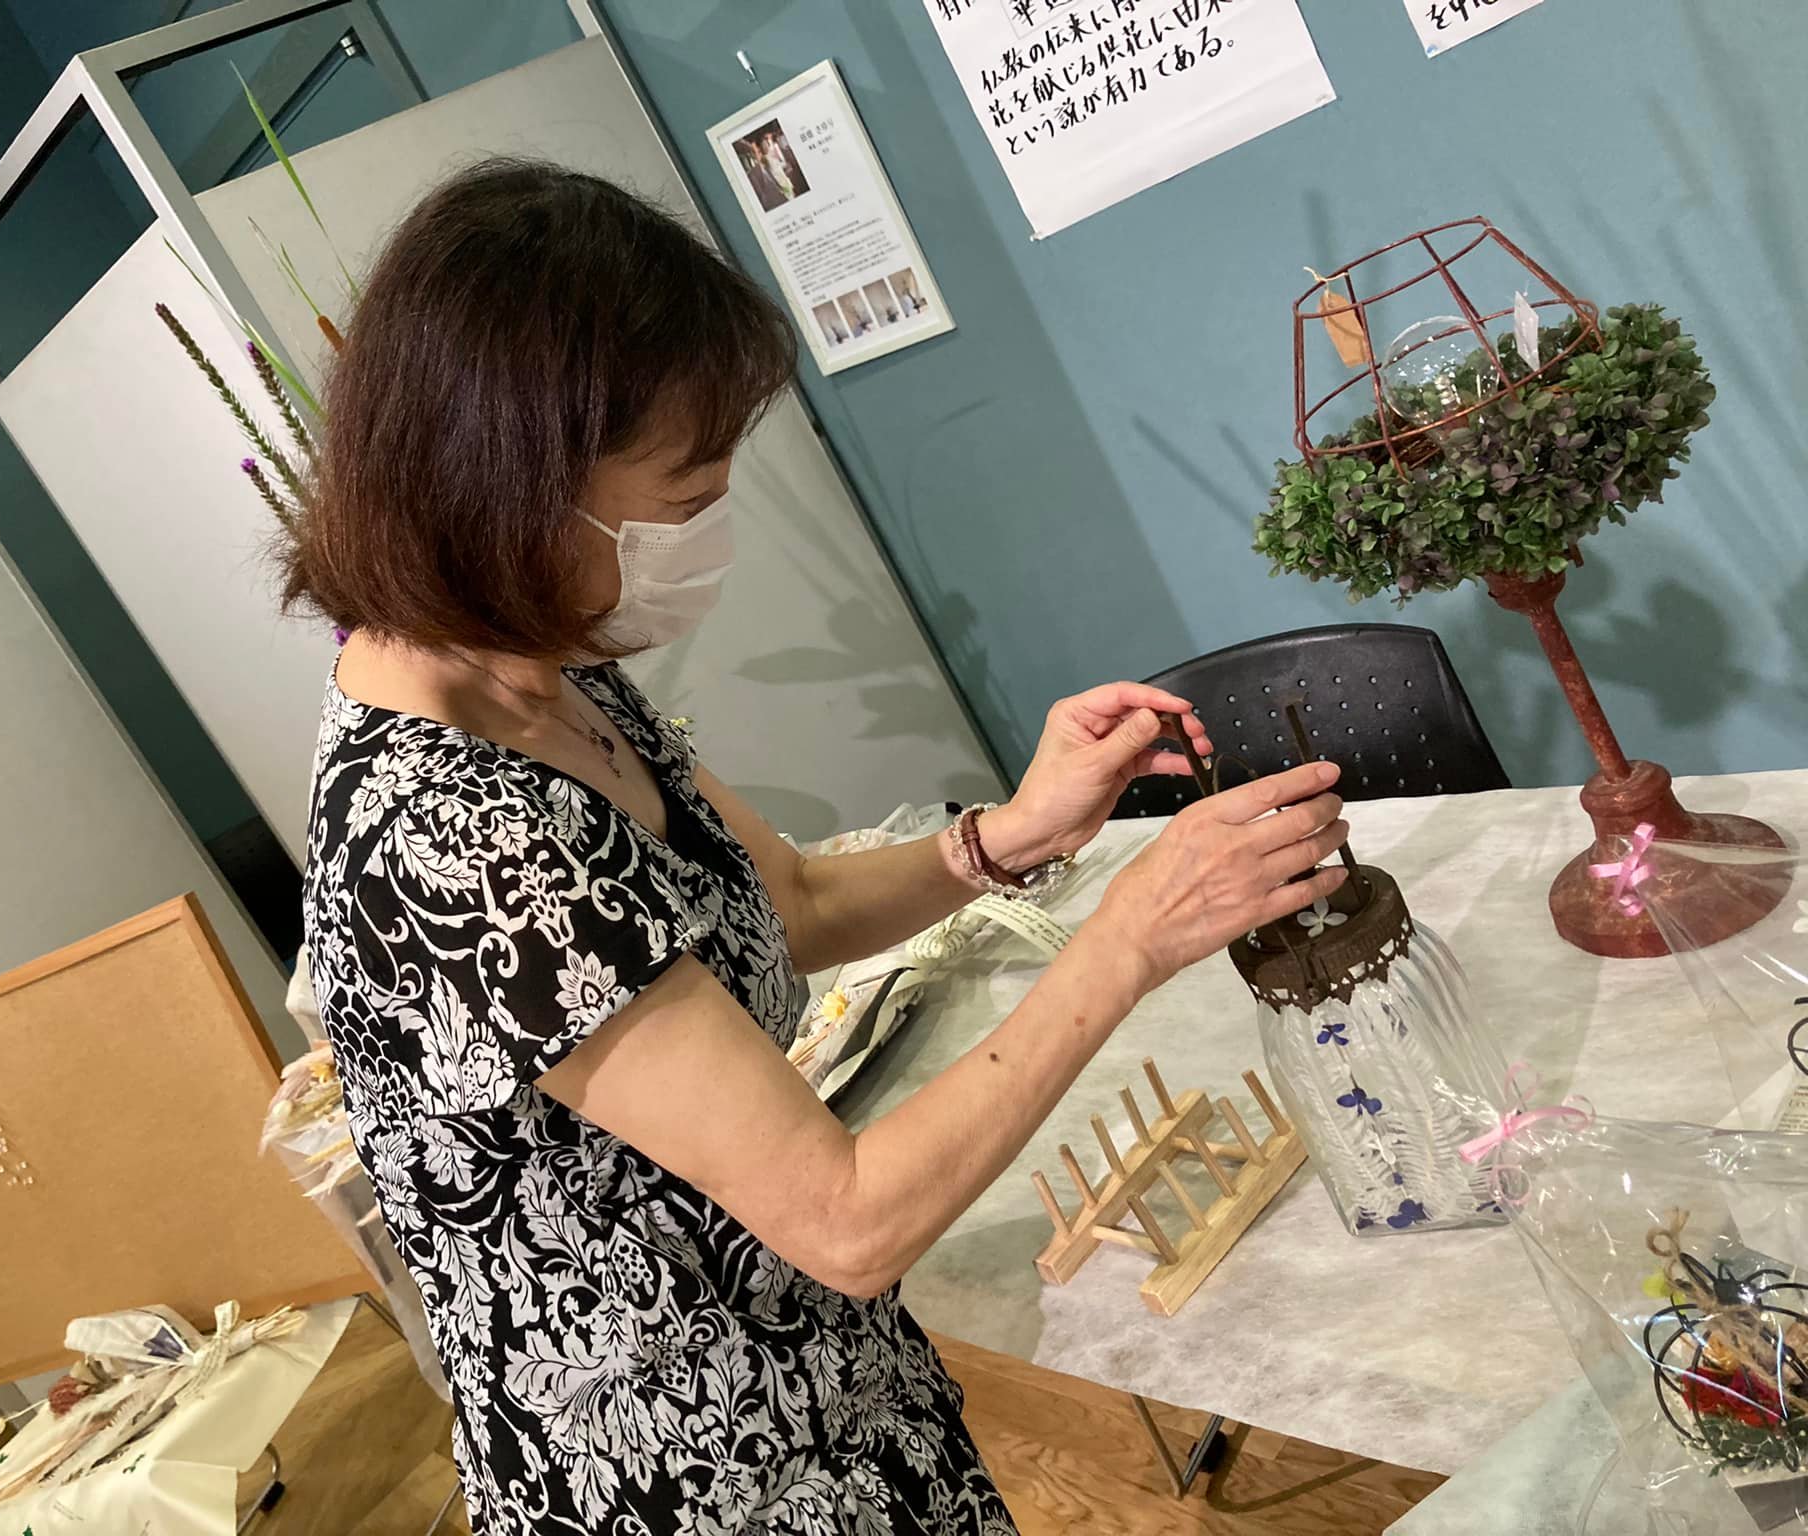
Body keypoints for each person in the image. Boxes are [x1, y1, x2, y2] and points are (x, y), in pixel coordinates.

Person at [292, 160, 1349, 1536]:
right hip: (694, 1484)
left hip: (826, 1391)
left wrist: (1004, 837)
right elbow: (847, 1219)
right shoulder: (446, 837)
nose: (709, 529)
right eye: (685, 494)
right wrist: (1131, 935)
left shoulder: (550, 674)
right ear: (509, 487)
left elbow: (777, 901)